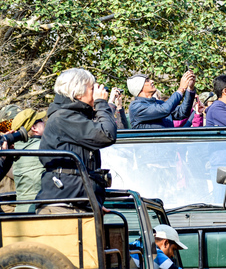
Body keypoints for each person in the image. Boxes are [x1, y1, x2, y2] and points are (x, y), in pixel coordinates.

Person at [35, 68, 117, 214]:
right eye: (92, 88)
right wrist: (101, 103)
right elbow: (106, 134)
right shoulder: (63, 117)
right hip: (62, 206)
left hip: (76, 203)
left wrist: (94, 203)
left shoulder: (74, 117)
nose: (96, 91)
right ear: (78, 93)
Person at [128, 70, 196, 129]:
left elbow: (182, 112)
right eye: (147, 80)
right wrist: (181, 89)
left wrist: (190, 89)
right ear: (139, 87)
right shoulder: (136, 106)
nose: (152, 81)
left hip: (167, 143)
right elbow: (165, 109)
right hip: (150, 144)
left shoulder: (159, 103)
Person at [10, 109, 46, 212]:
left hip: (21, 209)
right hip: (37, 210)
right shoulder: (42, 147)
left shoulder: (15, 149)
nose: (44, 123)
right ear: (34, 128)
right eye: (41, 120)